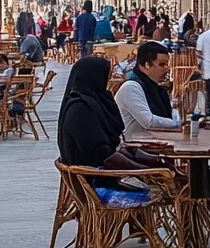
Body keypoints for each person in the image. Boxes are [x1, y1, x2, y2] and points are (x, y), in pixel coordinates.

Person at [57, 56, 166, 207]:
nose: (109, 79)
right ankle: (143, 230)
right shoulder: (80, 109)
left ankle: (143, 230)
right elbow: (104, 154)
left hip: (105, 175)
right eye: (106, 76)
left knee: (165, 178)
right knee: (165, 190)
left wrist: (151, 161)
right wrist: (144, 170)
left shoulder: (96, 101)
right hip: (94, 184)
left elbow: (115, 143)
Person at [115, 41, 178, 140]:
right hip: (133, 148)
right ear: (146, 65)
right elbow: (149, 122)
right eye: (161, 64)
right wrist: (176, 123)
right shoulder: (131, 87)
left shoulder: (157, 89)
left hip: (155, 144)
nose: (166, 68)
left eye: (167, 64)